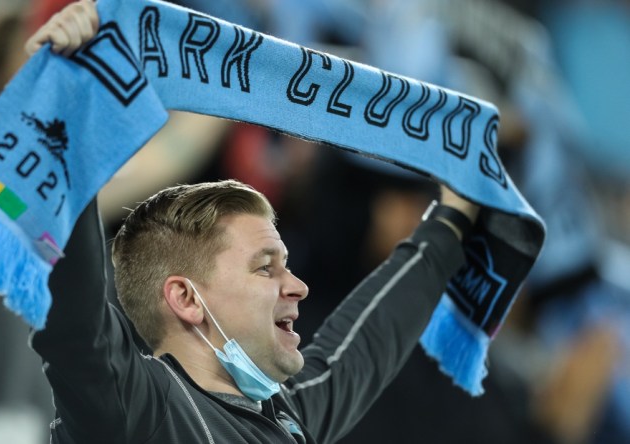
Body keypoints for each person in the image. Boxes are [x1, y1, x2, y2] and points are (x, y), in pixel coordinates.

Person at [25, 2, 480, 443]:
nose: (298, 286)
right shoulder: (135, 408)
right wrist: (65, 104)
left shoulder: (287, 417)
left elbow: (367, 343)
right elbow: (75, 317)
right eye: (266, 267)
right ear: (186, 298)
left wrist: (452, 219)